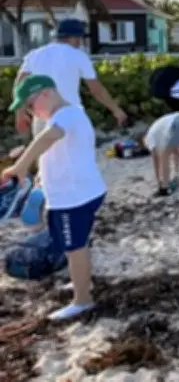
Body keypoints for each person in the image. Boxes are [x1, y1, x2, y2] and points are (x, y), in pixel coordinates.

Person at [3, 75, 106, 321]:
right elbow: (56, 151)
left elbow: (49, 137)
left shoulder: (67, 114)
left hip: (76, 198)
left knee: (75, 247)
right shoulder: (64, 116)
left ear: (45, 93)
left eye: (30, 105)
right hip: (68, 196)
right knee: (70, 245)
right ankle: (81, 282)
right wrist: (40, 177)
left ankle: (82, 301)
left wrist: (20, 166)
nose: (31, 112)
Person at [13, 19, 127, 136]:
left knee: (44, 154)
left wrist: (20, 113)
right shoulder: (78, 56)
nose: (80, 42)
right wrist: (116, 110)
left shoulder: (35, 55)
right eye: (79, 38)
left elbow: (20, 84)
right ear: (72, 37)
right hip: (69, 114)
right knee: (76, 153)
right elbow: (96, 90)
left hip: (42, 117)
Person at [143, 112, 179, 197]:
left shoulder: (149, 139)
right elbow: (176, 151)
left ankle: (164, 188)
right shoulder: (159, 130)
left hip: (178, 124)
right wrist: (176, 173)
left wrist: (159, 180)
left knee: (164, 155)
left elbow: (156, 160)